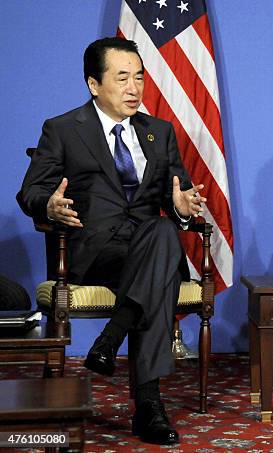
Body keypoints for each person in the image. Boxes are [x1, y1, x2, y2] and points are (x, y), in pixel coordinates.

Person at [17, 37, 206, 445]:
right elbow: (30, 191)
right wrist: (49, 206)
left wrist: (181, 205)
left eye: (139, 77)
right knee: (158, 266)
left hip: (148, 247)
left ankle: (112, 337)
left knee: (160, 231)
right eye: (122, 78)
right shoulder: (64, 129)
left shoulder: (159, 132)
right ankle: (149, 404)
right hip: (96, 251)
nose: (134, 88)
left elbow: (178, 196)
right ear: (93, 84)